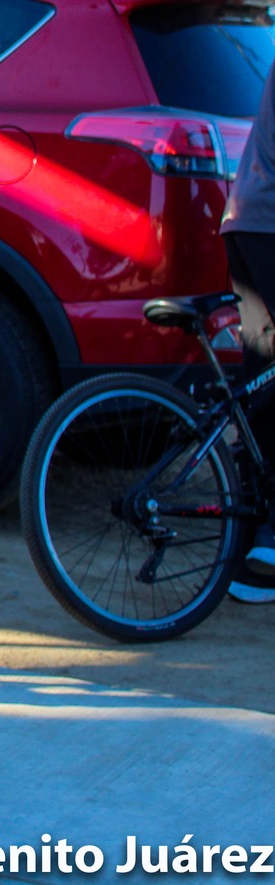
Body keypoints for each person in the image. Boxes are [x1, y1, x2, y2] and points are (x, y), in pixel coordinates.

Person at [219, 59, 275, 603]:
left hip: (249, 221)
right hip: (269, 226)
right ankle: (267, 543)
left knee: (263, 386)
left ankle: (248, 544)